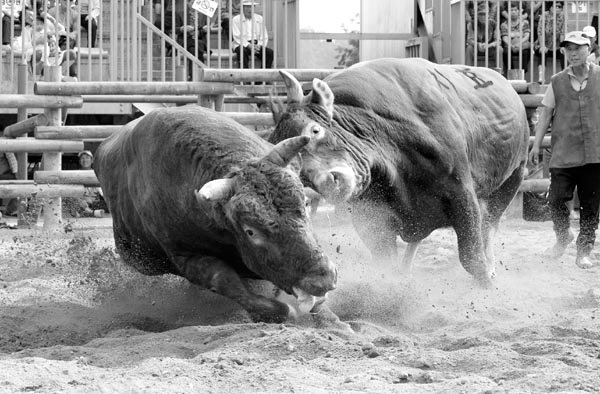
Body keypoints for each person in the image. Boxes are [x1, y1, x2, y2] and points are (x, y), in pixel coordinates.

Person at [529, 31, 600, 269]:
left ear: (589, 49)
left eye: (578, 48)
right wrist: (537, 143)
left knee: (590, 207)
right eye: (568, 49)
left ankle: (584, 252)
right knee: (556, 199)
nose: (573, 53)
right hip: (563, 153)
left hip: (594, 153)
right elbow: (545, 114)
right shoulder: (557, 81)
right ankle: (563, 236)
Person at [63, 150, 107, 218]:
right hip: (80, 201)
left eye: (87, 158)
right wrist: (80, 199)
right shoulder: (75, 174)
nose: (85, 160)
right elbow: (71, 190)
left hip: (94, 202)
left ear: (92, 160)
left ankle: (86, 212)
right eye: (82, 158)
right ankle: (91, 213)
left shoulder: (96, 173)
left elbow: (102, 191)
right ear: (79, 161)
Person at [231, 0, 273, 68]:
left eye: (251, 7)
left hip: (256, 44)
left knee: (269, 53)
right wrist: (248, 45)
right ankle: (245, 75)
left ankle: (263, 76)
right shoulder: (236, 19)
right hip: (242, 44)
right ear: (243, 8)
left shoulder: (259, 18)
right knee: (242, 51)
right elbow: (237, 36)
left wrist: (259, 45)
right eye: (247, 7)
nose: (249, 9)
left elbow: (264, 35)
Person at [47, 0, 79, 77]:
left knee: (67, 43)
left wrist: (69, 34)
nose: (67, 1)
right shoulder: (52, 11)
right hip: (55, 35)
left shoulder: (75, 14)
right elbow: (48, 28)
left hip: (67, 36)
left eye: (70, 0)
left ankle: (59, 71)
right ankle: (71, 74)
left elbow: (76, 31)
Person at [501, 3, 531, 75]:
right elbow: (504, 37)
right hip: (509, 46)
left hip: (522, 46)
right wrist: (511, 45)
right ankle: (511, 72)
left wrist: (518, 44)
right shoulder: (504, 24)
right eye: (511, 10)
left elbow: (527, 36)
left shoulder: (525, 23)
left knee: (525, 52)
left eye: (515, 10)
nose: (513, 12)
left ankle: (522, 73)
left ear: (519, 11)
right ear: (508, 12)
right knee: (506, 52)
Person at [535, 1, 565, 73]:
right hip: (544, 43)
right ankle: (541, 76)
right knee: (542, 52)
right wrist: (542, 46)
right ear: (550, 8)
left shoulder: (563, 16)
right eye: (555, 6)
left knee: (564, 52)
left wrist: (562, 46)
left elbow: (562, 33)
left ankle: (565, 75)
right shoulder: (544, 15)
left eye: (559, 7)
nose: (557, 8)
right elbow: (540, 32)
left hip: (557, 46)